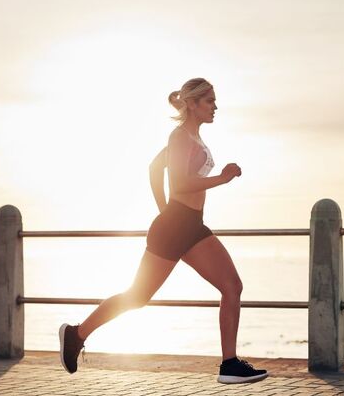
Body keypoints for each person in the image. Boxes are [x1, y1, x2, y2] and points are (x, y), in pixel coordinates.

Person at [59, 78, 268, 384]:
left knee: (232, 286)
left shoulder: (192, 137)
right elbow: (180, 183)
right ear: (193, 104)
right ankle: (76, 334)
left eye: (214, 100)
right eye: (209, 101)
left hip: (191, 226)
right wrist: (219, 180)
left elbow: (155, 169)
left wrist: (166, 211)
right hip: (175, 227)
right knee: (137, 297)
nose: (215, 106)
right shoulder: (180, 136)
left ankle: (229, 364)